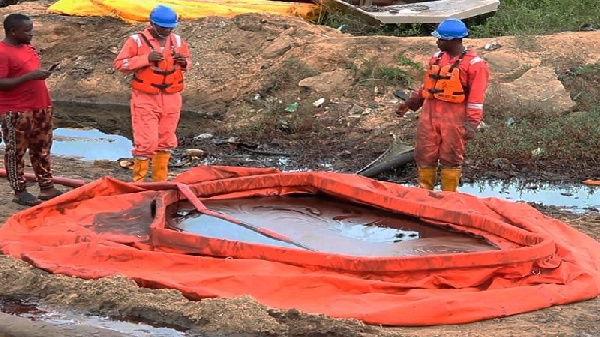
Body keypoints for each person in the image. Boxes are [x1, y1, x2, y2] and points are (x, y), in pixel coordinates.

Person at [396, 18, 489, 192]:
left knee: (451, 157)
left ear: (453, 40)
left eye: (441, 39)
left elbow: (476, 99)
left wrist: (472, 123)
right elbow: (427, 87)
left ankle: (449, 197)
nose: (437, 41)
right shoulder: (436, 59)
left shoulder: (475, 65)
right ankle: (425, 194)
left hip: (455, 118)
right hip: (429, 115)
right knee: (424, 154)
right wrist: (409, 104)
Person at [113, 4, 190, 182]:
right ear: (152, 24)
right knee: (146, 142)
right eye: (163, 27)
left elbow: (188, 62)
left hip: (171, 97)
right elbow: (120, 64)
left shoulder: (178, 41)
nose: (167, 30)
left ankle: (160, 183)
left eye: (170, 27)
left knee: (166, 141)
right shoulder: (136, 41)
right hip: (145, 98)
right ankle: (138, 183)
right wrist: (145, 59)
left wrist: (183, 61)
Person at [0, 13, 62, 206]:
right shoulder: (2, 52)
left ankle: (46, 186)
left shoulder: (28, 48)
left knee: (42, 148)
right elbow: (2, 82)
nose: (31, 34)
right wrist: (30, 76)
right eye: (27, 31)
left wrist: (40, 75)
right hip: (16, 110)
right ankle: (20, 191)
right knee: (16, 152)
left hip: (41, 106)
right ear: (13, 31)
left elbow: (28, 73)